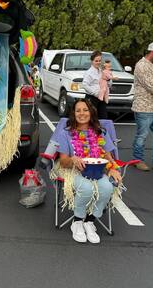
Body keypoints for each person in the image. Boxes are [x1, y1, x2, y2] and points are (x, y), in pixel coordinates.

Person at [57, 99, 122, 243]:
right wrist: (73, 159)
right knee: (86, 188)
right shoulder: (65, 134)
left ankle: (90, 221)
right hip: (74, 170)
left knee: (106, 188)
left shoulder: (101, 132)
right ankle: (77, 221)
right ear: (73, 114)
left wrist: (113, 169)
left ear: (91, 112)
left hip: (97, 170)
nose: (82, 113)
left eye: (85, 110)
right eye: (78, 110)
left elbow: (107, 155)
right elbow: (63, 161)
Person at [131, 41, 153, 171]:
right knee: (142, 135)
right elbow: (152, 87)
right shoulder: (141, 66)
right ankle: (138, 160)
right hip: (143, 108)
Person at [82, 51, 108, 119]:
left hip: (101, 97)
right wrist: (95, 93)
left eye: (100, 60)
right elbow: (85, 85)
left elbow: (105, 82)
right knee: (91, 118)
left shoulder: (101, 71)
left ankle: (101, 130)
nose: (98, 62)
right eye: (96, 61)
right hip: (92, 98)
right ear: (92, 61)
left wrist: (109, 80)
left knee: (103, 117)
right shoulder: (89, 72)